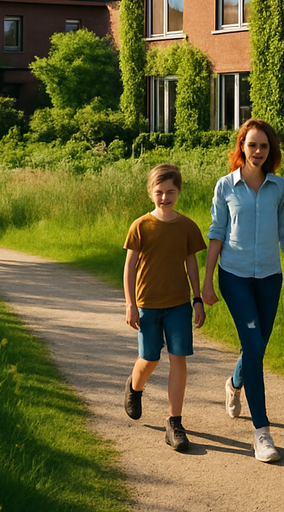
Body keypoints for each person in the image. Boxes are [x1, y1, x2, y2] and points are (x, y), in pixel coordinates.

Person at [202, 119, 284, 463]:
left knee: (256, 346)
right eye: (252, 145)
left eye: (264, 146)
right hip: (235, 276)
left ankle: (234, 382)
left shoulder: (280, 187)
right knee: (254, 345)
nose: (258, 152)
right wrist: (207, 280)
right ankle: (262, 433)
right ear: (241, 146)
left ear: (271, 151)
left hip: (270, 277)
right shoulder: (225, 186)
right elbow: (216, 233)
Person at [123, 163, 206, 452]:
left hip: (179, 305)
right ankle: (135, 387)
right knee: (149, 360)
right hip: (147, 305)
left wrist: (198, 299)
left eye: (170, 191)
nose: (165, 197)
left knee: (178, 360)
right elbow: (130, 266)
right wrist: (130, 304)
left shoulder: (186, 226)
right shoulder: (141, 226)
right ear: (151, 193)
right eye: (159, 192)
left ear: (178, 191)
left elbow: (192, 263)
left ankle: (174, 422)